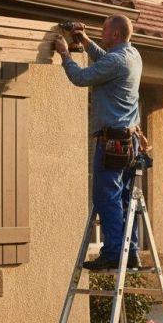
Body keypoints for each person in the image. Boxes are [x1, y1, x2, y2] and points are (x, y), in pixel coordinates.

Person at [52, 15, 143, 271]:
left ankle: (113, 252)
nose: (101, 34)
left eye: (103, 31)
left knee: (107, 197)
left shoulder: (116, 60)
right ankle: (130, 251)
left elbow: (80, 78)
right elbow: (106, 59)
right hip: (128, 140)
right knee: (124, 198)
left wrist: (64, 55)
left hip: (112, 141)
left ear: (114, 34)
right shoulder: (132, 55)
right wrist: (86, 40)